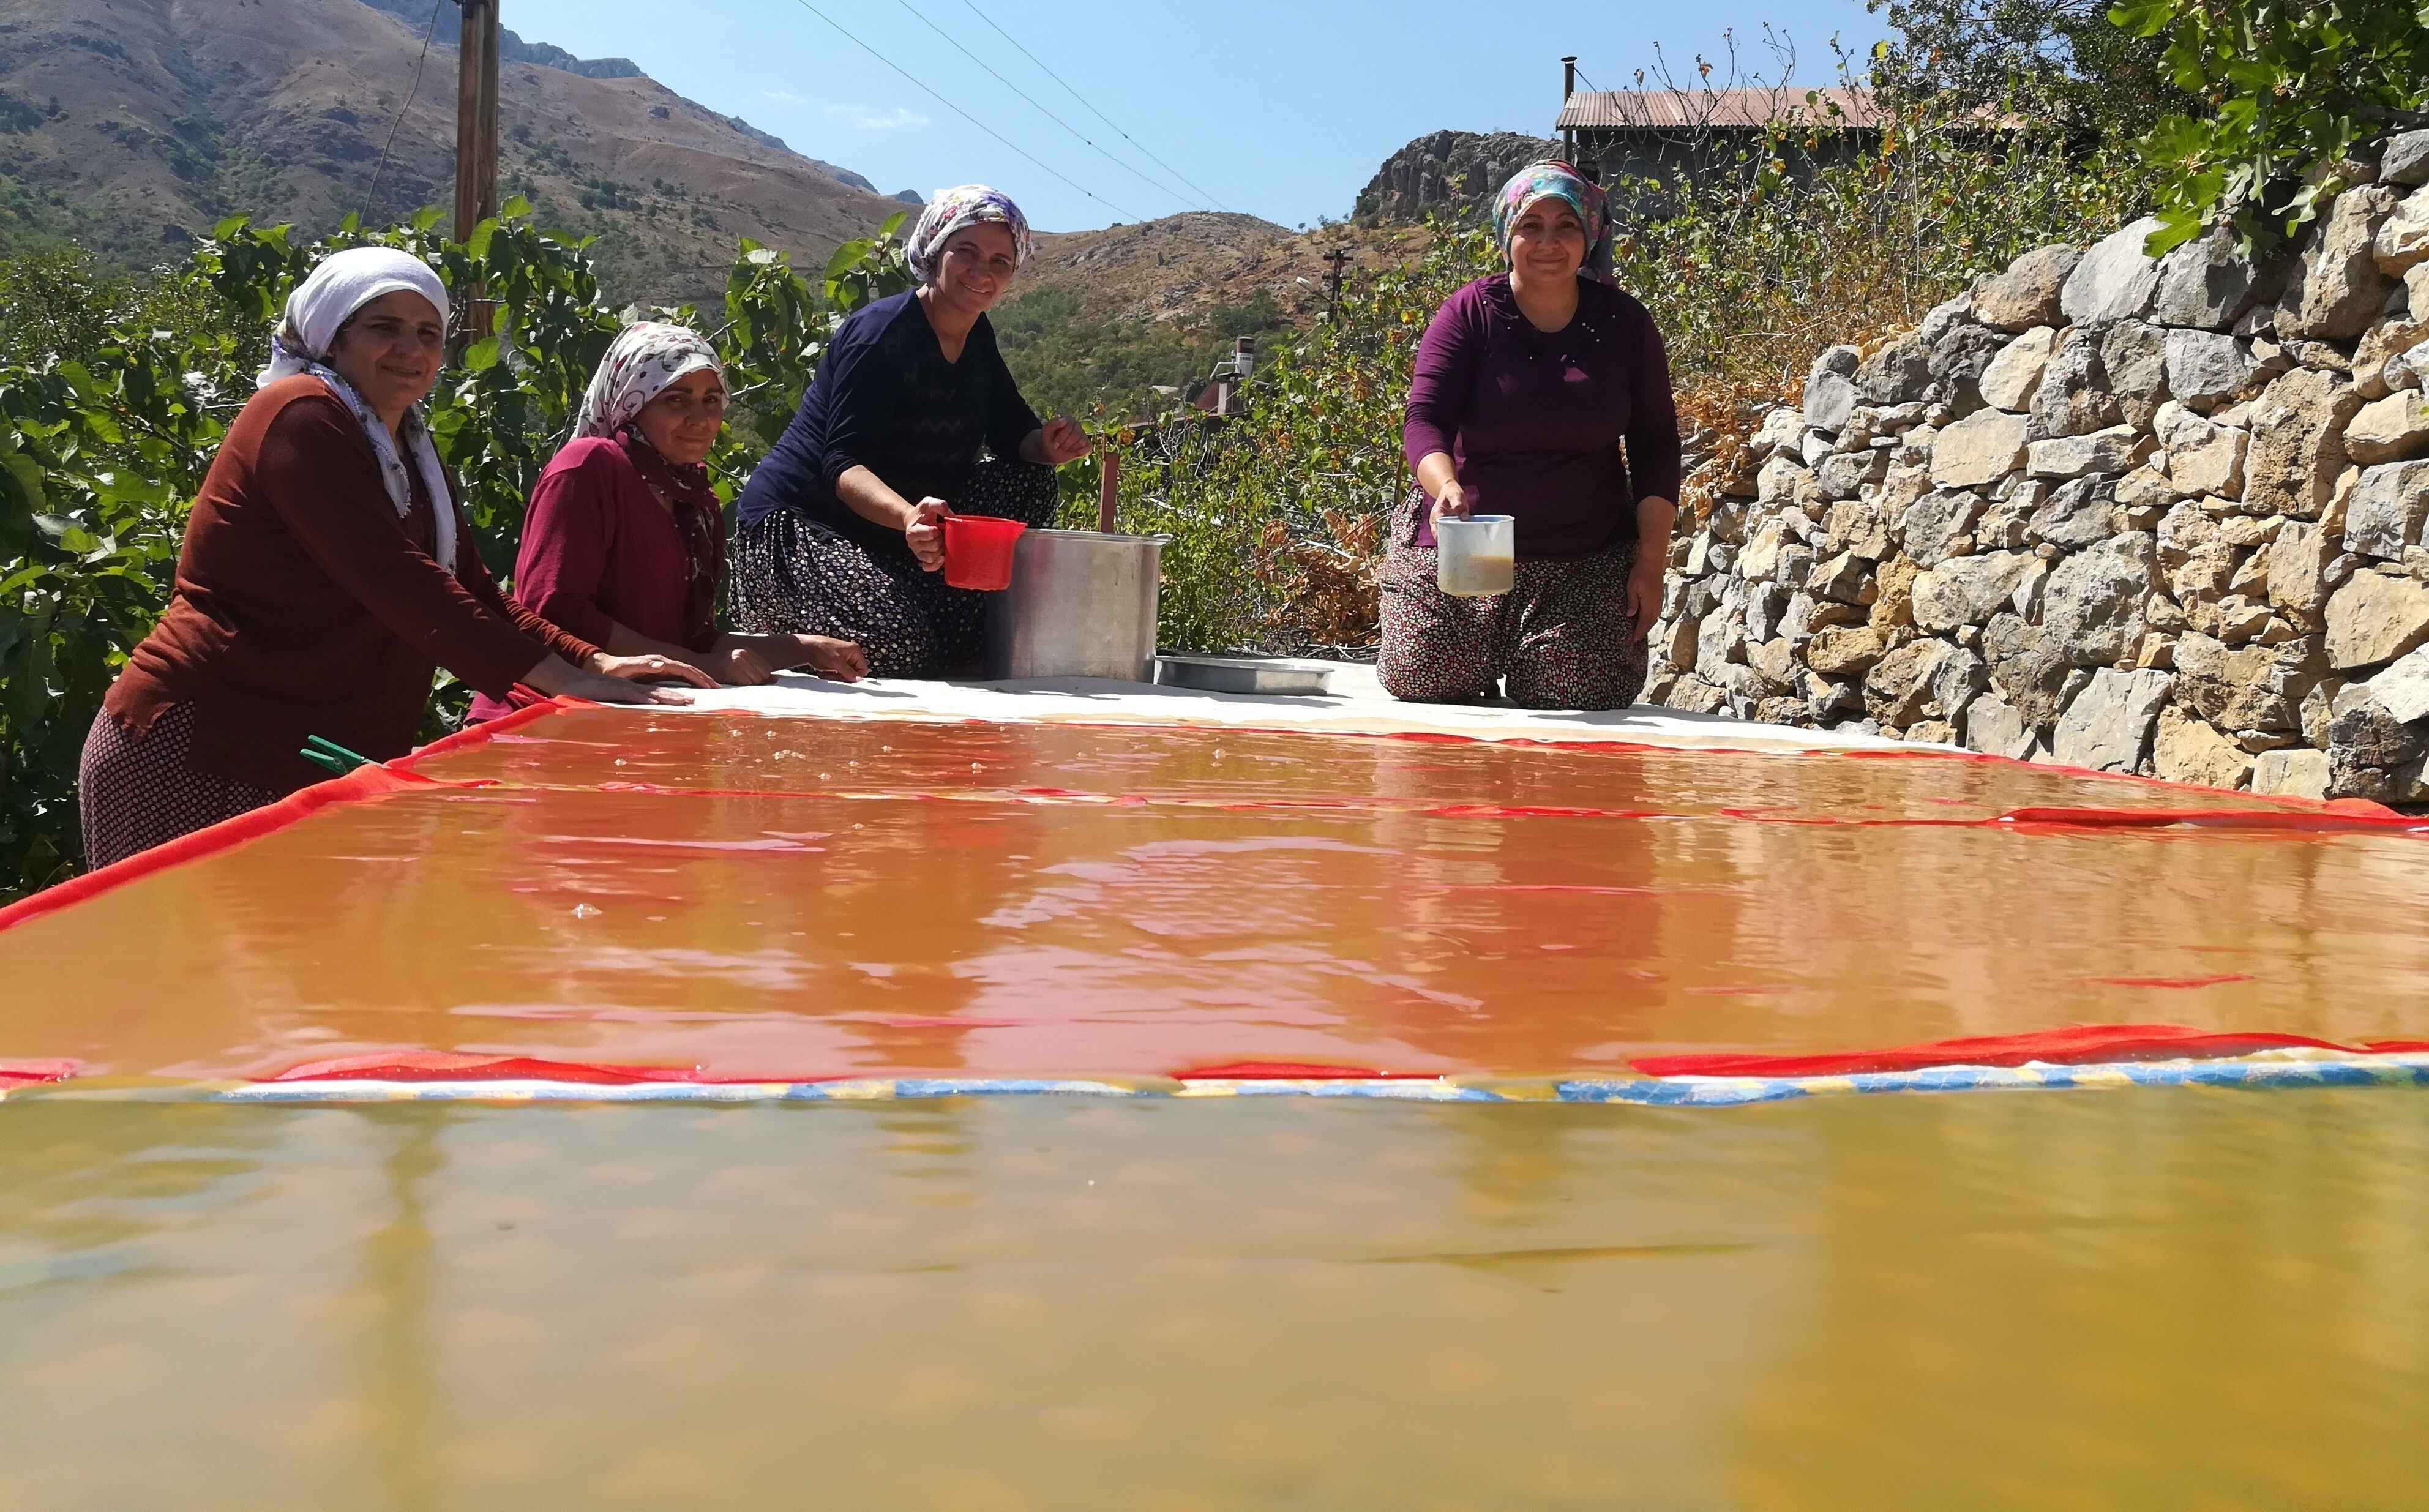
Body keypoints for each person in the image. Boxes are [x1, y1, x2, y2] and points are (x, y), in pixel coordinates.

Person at [80, 246, 714, 869]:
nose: (410, 350)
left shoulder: (404, 442)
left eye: (428, 333)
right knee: (183, 968)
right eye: (385, 328)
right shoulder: (300, 415)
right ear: (334, 338)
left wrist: (593, 658)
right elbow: (395, 580)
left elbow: (471, 587)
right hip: (208, 742)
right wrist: (567, 681)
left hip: (306, 748)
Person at [730, 184, 1093, 676]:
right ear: (934, 251)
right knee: (896, 649)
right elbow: (843, 467)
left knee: (1028, 481)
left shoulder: (978, 338)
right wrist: (907, 518)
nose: (982, 272)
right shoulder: (881, 335)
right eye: (966, 251)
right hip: (802, 528)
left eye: (1000, 261)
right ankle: (803, 643)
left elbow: (1015, 436)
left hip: (893, 537)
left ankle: (948, 621)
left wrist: (1049, 447)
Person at [1379, 160, 1681, 711]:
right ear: (1506, 236)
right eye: (1531, 227)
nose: (1548, 243)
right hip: (1466, 550)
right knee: (1423, 683)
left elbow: (1656, 445)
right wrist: (1443, 485)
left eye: (1566, 226)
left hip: (1583, 561)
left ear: (1590, 236)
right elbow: (1425, 419)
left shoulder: (1626, 325)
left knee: (1578, 700)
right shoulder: (1468, 315)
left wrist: (1651, 564)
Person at [466, 323, 868, 722]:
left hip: (631, 718)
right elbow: (555, 610)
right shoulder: (590, 468)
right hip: (538, 719)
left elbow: (692, 638)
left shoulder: (695, 501)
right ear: (632, 403)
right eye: (676, 399)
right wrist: (700, 664)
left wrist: (807, 649)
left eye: (712, 400)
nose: (699, 418)